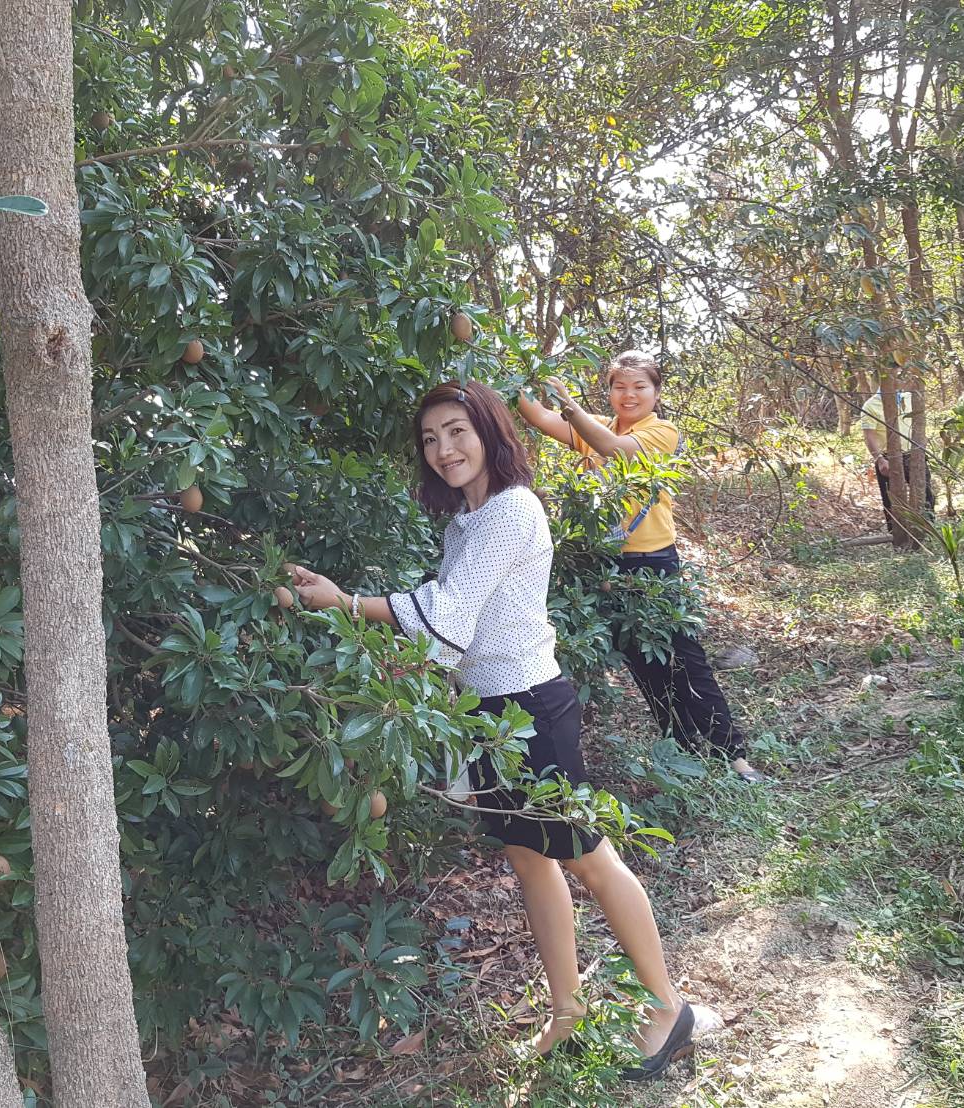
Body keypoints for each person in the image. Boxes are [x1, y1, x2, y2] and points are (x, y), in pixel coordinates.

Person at [287, 380, 696, 1078]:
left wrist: (348, 602)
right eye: (429, 438)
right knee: (529, 860)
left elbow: (448, 610)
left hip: (529, 710)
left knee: (588, 859)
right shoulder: (465, 523)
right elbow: (450, 638)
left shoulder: (511, 510)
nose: (443, 449)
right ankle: (566, 1011)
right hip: (488, 715)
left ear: (488, 433)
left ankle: (666, 1007)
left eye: (456, 432)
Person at [516, 351, 762, 784]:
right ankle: (683, 750)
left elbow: (613, 449)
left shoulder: (661, 432)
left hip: (653, 565)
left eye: (639, 387)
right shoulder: (595, 427)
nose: (628, 395)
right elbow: (537, 416)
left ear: (656, 392)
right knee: (644, 665)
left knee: (687, 662)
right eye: (619, 386)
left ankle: (734, 754)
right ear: (609, 391)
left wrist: (569, 406)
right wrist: (517, 372)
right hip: (608, 567)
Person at [859, 388, 935, 534]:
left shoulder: (909, 398)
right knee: (892, 500)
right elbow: (869, 436)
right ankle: (897, 535)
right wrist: (879, 460)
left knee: (925, 494)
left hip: (913, 455)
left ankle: (927, 531)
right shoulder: (870, 405)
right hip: (888, 459)